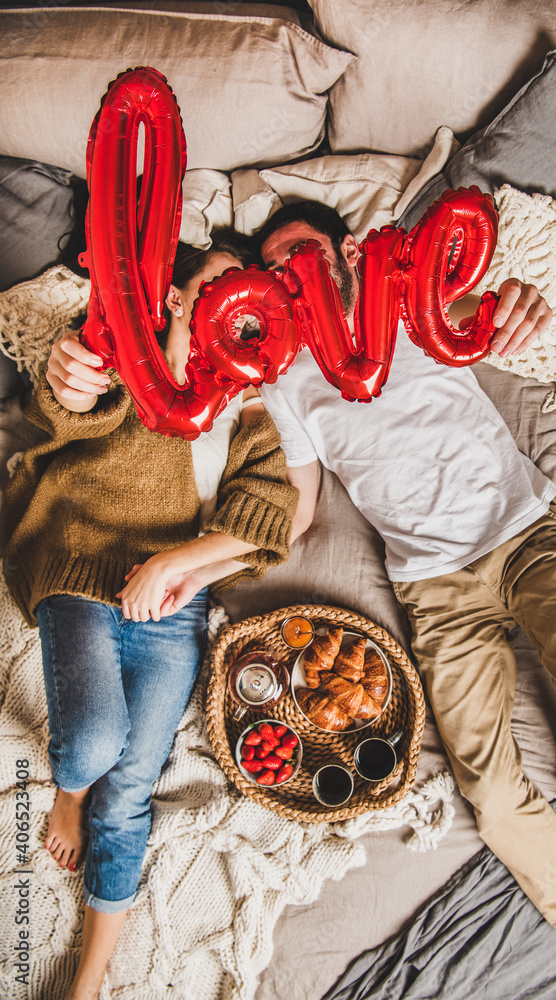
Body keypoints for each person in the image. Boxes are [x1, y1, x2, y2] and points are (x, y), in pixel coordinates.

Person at [254, 201, 556, 1000]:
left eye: (305, 255)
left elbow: (495, 314)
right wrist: (219, 556)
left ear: (348, 253)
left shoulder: (409, 302)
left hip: (523, 533)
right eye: (279, 270)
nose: (297, 277)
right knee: (493, 797)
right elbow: (299, 501)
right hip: (434, 588)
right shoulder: (287, 379)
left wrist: (519, 306)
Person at [1, 229, 313, 1000]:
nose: (239, 299)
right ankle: (70, 795)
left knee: (135, 781)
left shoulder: (250, 409)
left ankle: (87, 980)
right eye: (219, 281)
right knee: (95, 745)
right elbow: (65, 408)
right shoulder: (125, 354)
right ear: (178, 297)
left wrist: (184, 566)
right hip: (79, 557)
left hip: (172, 602)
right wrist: (72, 380)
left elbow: (270, 513)